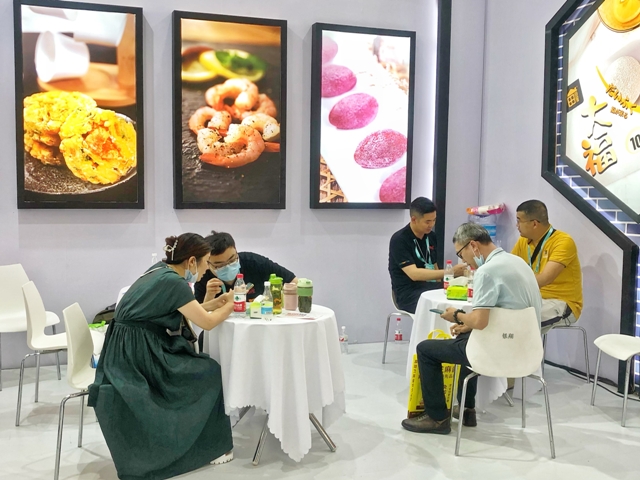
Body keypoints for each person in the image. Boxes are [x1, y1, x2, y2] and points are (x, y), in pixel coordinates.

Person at [88, 233, 236, 479]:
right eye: (206, 263)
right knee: (208, 371)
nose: (206, 271)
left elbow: (188, 310)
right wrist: (233, 303)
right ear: (191, 261)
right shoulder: (174, 283)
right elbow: (207, 323)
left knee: (201, 367)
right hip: (138, 353)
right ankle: (210, 446)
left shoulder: (159, 271)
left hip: (124, 347)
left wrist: (217, 302)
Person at [401, 223, 541, 434]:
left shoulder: (487, 272)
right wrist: (468, 325)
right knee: (466, 340)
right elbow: (505, 315)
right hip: (528, 350)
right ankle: (467, 410)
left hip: (499, 352)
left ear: (473, 246)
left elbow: (480, 321)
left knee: (426, 349)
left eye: (461, 254)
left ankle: (437, 418)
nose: (464, 261)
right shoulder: (518, 262)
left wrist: (456, 315)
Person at [511, 200, 582, 335]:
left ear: (534, 223)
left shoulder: (563, 242)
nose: (516, 225)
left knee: (517, 321)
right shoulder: (523, 241)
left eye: (519, 221)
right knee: (498, 314)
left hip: (561, 303)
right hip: (532, 298)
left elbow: (545, 278)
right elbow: (509, 270)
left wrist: (512, 284)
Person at [388, 197, 466, 313]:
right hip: (409, 294)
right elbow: (414, 274)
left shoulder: (431, 236)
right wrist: (450, 272)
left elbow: (434, 267)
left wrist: (446, 282)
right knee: (445, 307)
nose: (432, 224)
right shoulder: (399, 239)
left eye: (434, 220)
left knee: (459, 296)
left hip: (430, 288)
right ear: (414, 219)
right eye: (427, 222)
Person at [194, 231, 297, 305]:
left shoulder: (254, 262)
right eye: (219, 265)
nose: (228, 266)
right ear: (208, 263)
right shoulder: (203, 274)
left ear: (236, 251)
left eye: (232, 260)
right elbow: (199, 317)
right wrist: (209, 296)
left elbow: (294, 281)